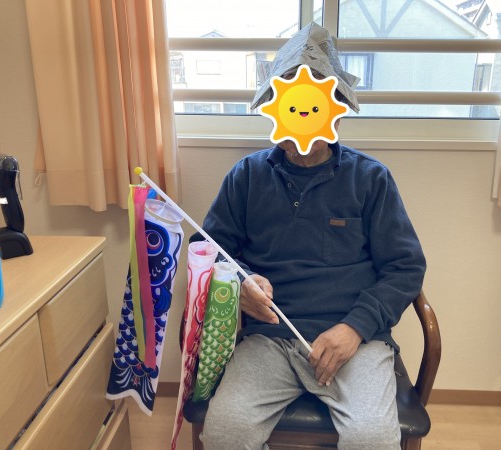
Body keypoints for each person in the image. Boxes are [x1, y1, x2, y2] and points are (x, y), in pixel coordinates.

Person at [192, 22, 426, 450]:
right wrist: (239, 282)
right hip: (268, 340)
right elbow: (208, 250)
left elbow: (405, 267)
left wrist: (355, 328)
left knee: (372, 440)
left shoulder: (370, 179)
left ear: (334, 109)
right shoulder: (246, 177)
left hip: (355, 342)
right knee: (226, 433)